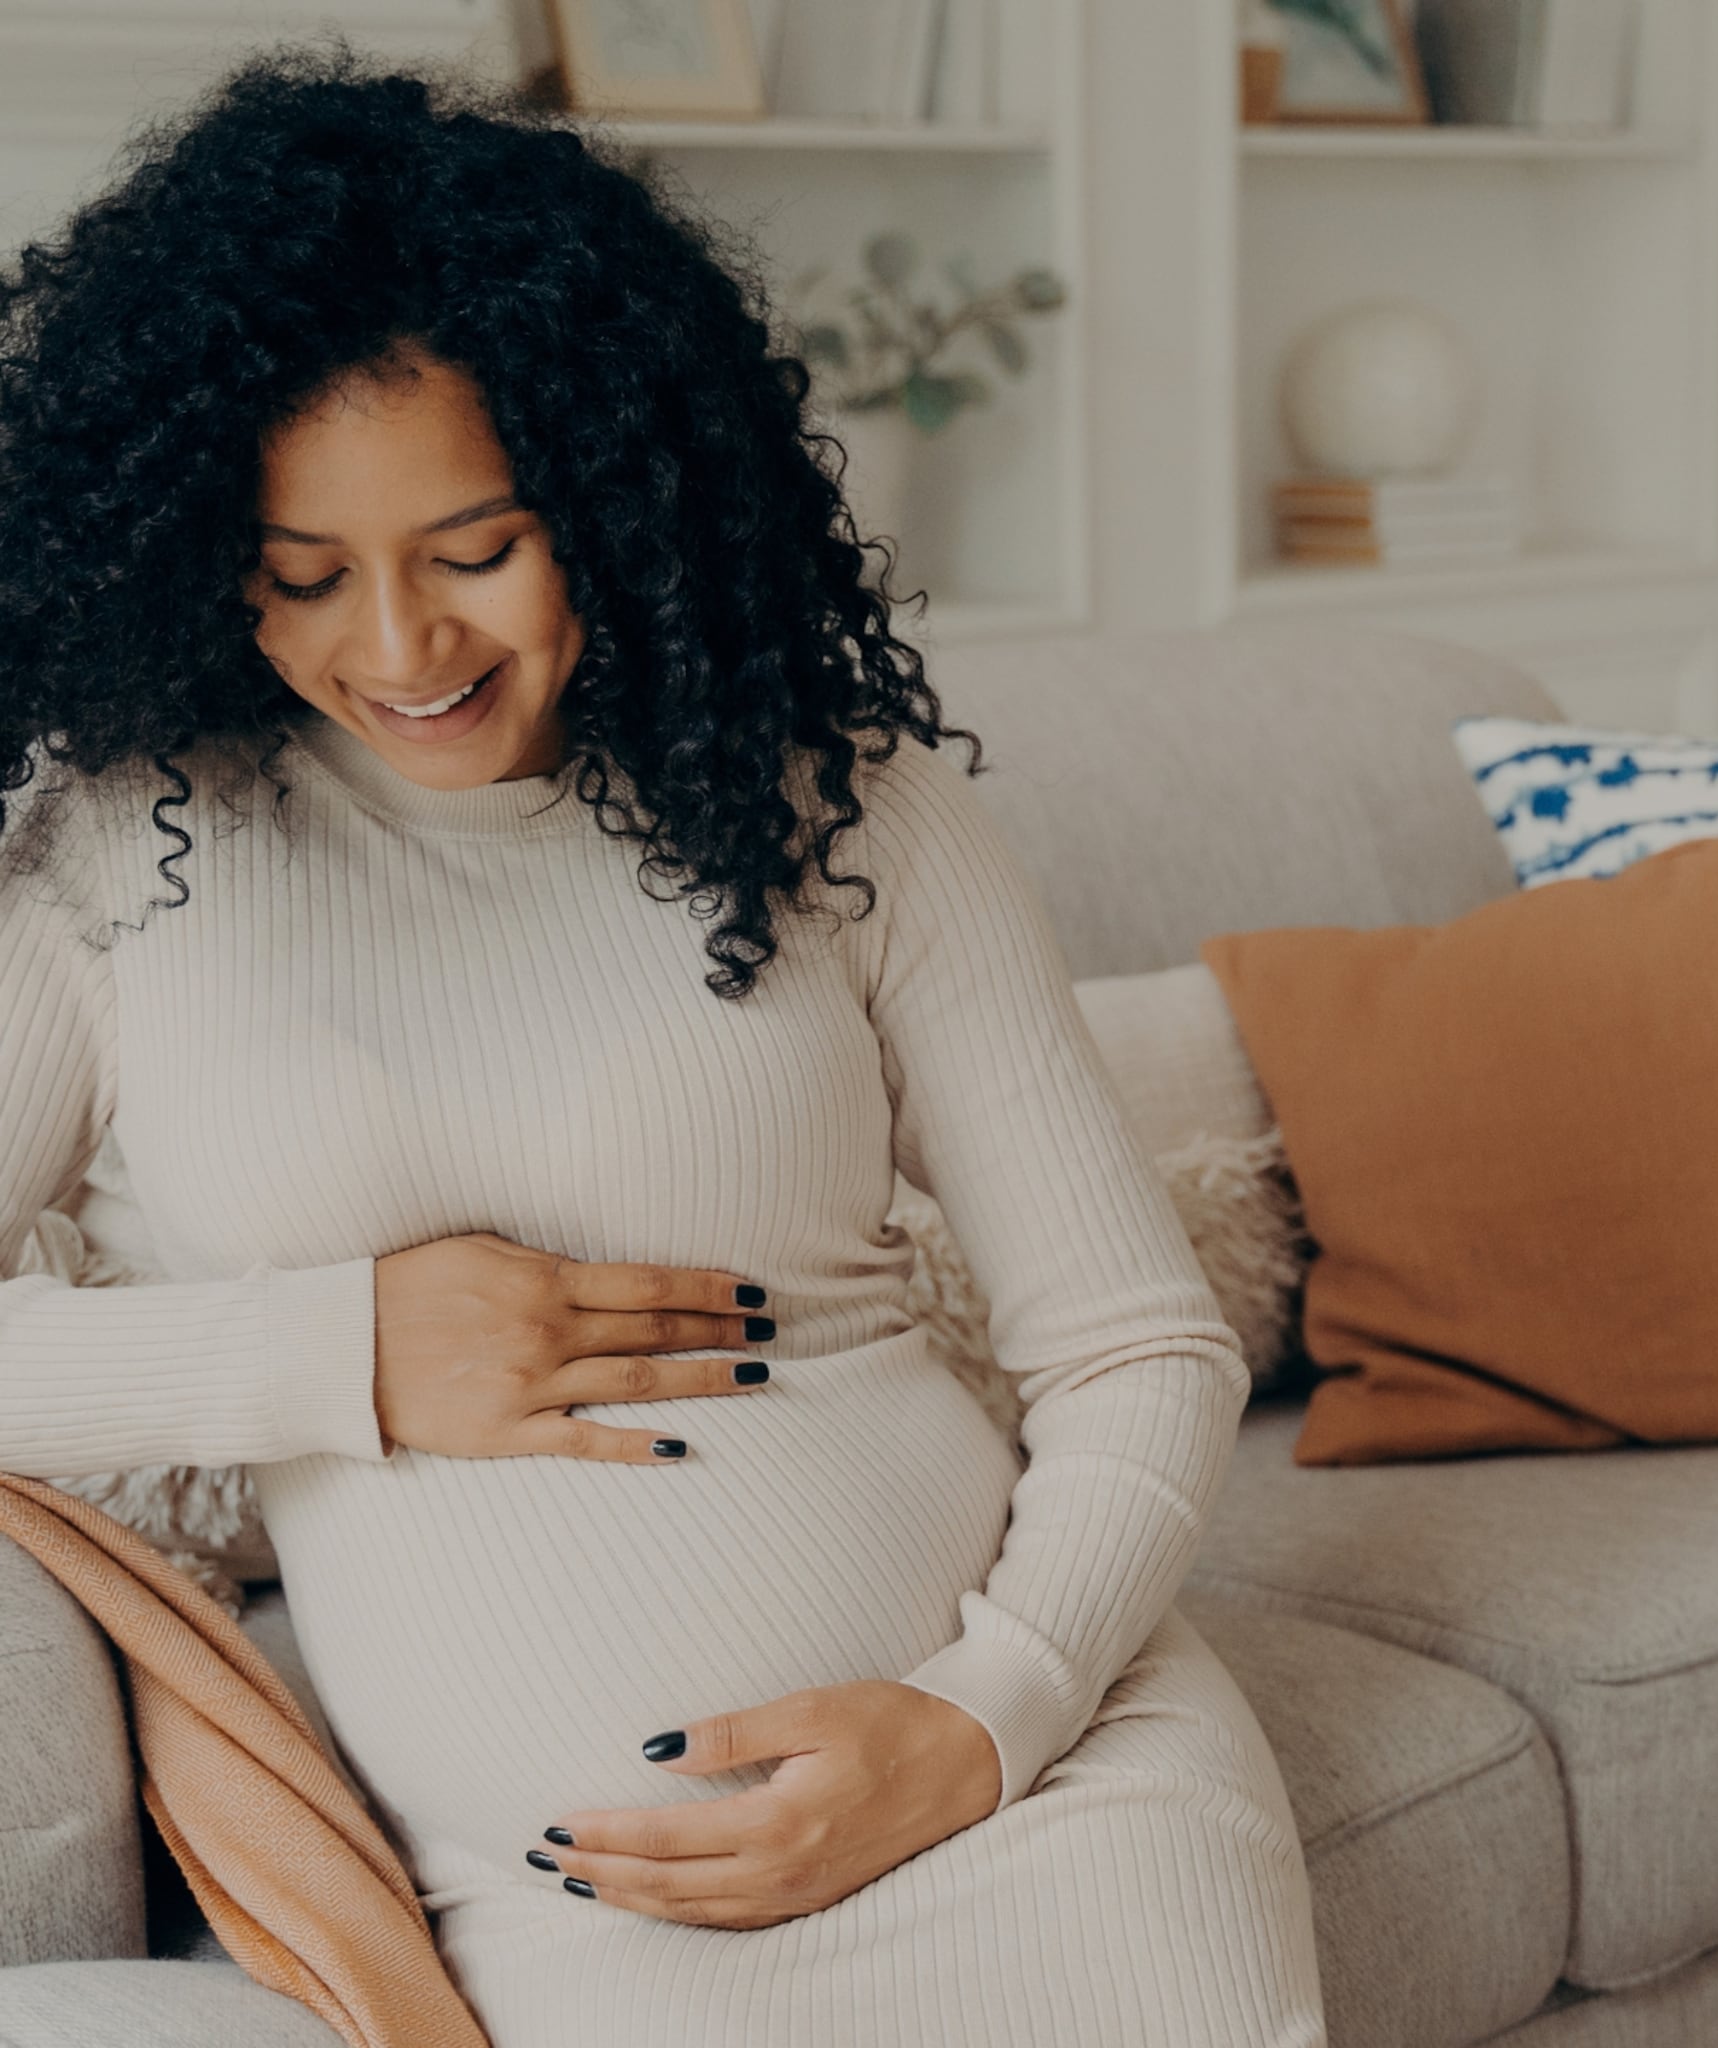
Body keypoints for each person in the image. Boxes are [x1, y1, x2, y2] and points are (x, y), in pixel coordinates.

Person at [0, 50, 1325, 2048]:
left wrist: (987, 1715)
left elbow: (1136, 1340)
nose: (402, 649)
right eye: (300, 575)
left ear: (615, 495)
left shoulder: (837, 804)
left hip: (1050, 1785)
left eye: (475, 550)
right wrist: (330, 1352)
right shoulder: (125, 853)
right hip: (587, 1908)